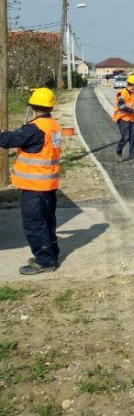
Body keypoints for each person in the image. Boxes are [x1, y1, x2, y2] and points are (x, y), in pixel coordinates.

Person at [0, 88, 62, 275]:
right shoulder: (53, 126)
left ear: (33, 105)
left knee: (34, 224)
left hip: (34, 187)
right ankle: (51, 254)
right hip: (48, 184)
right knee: (47, 221)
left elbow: (7, 140)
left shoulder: (34, 129)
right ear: (51, 106)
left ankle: (44, 261)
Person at [113, 74, 134, 161]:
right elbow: (121, 106)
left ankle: (132, 156)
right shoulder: (122, 93)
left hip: (131, 119)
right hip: (122, 118)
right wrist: (133, 111)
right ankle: (118, 152)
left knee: (133, 138)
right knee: (126, 137)